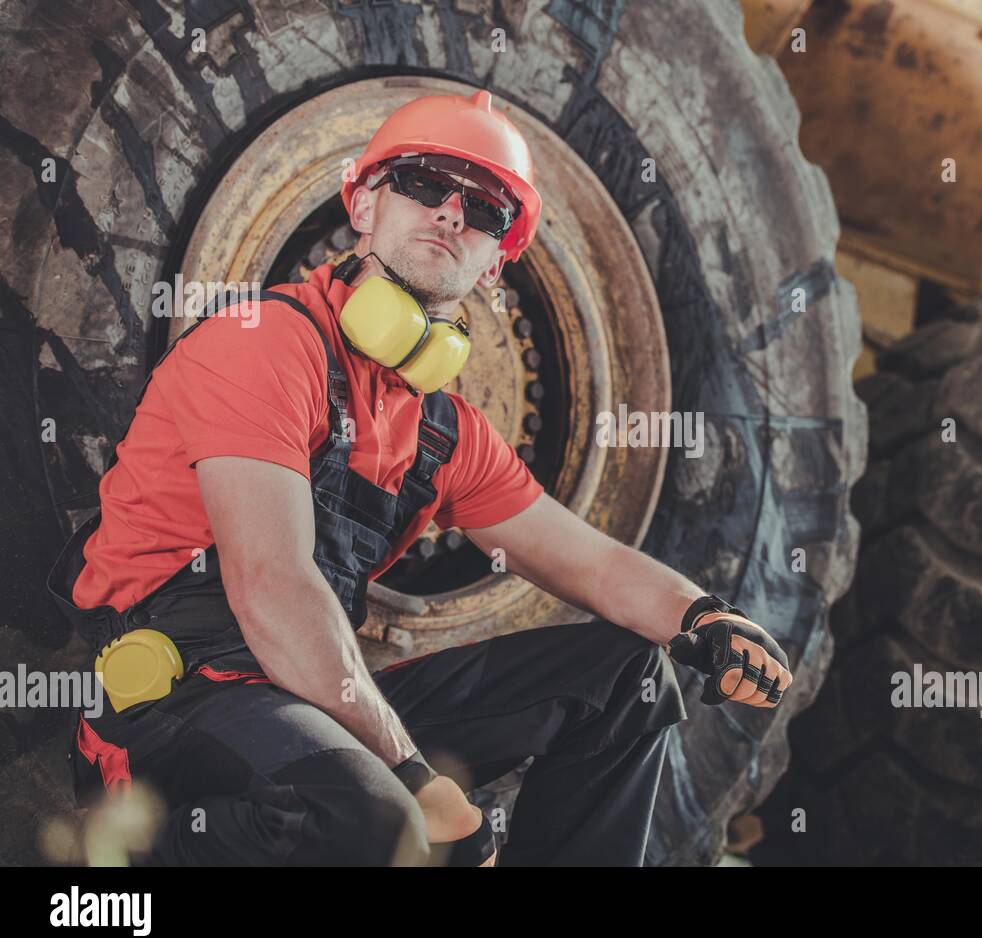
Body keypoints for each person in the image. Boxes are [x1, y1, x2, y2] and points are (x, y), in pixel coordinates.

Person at [47, 89, 793, 866]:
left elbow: (594, 563)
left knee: (627, 680)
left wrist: (705, 619)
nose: (451, 213)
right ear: (363, 204)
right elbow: (270, 581)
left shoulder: (442, 434)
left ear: (498, 260)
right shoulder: (265, 343)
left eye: (485, 209)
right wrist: (413, 776)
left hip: (312, 699)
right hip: (181, 704)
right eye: (426, 183)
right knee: (376, 817)